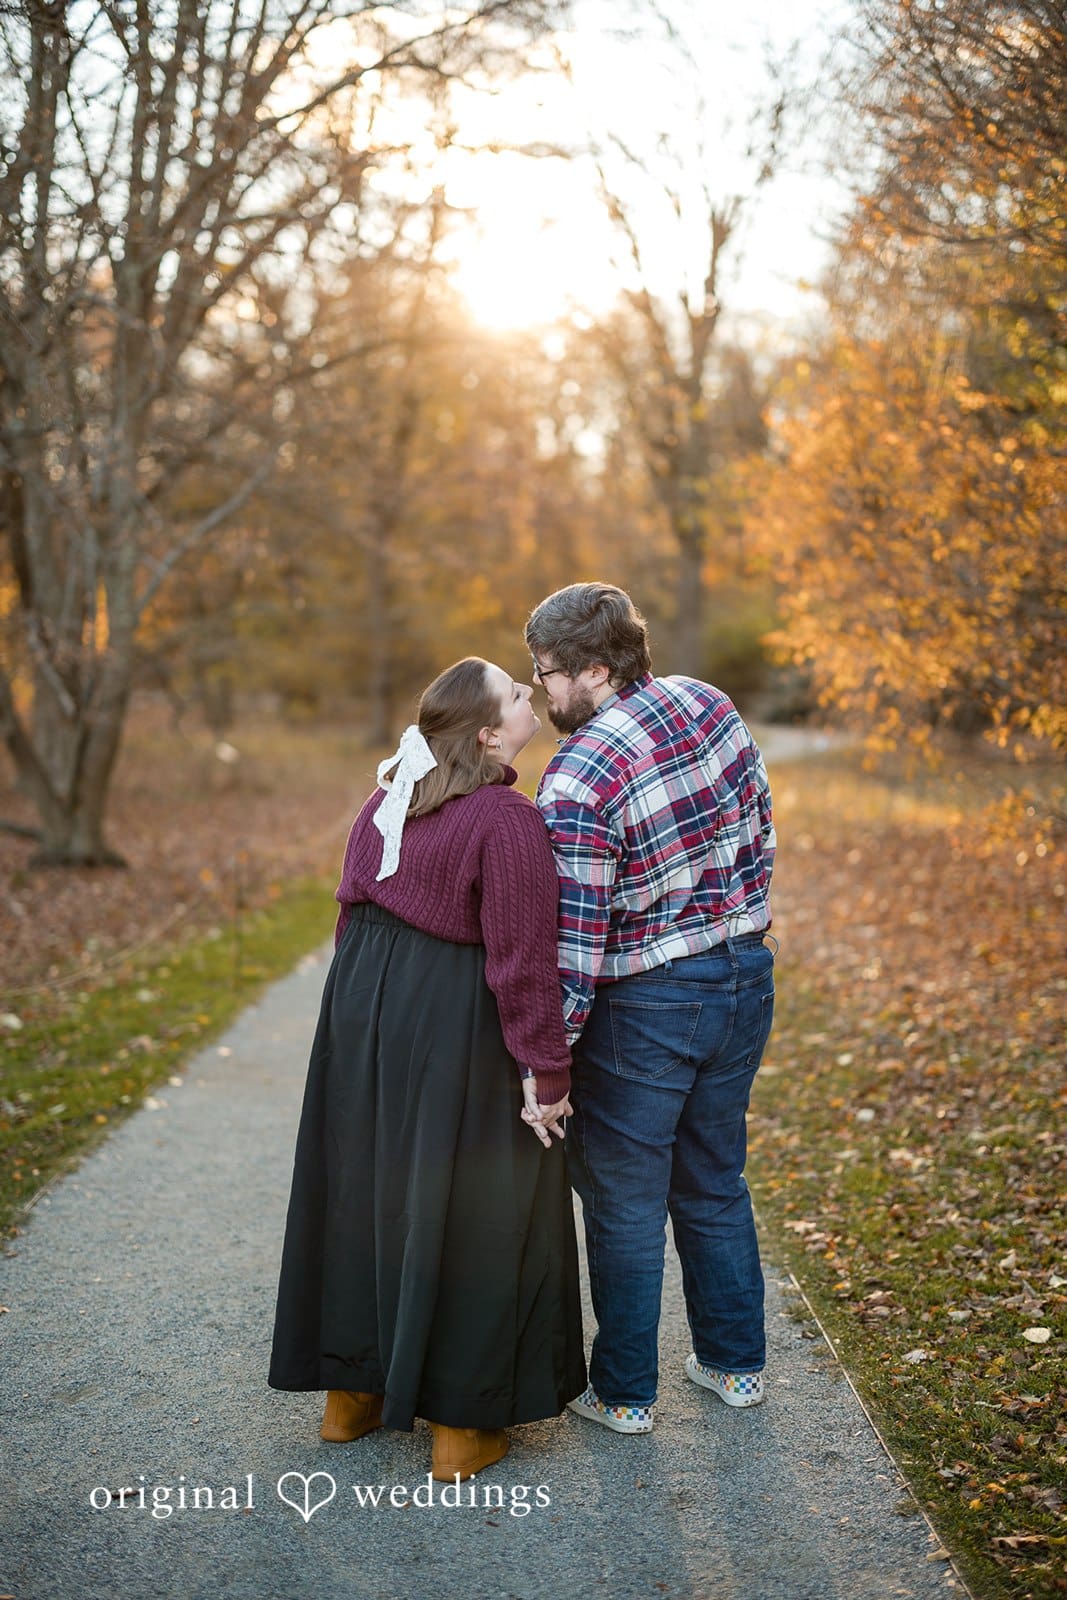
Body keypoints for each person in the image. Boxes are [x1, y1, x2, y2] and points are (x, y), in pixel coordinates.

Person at [268, 657, 586, 1482]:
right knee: (478, 1196)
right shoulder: (503, 818)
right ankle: (459, 1423)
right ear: (488, 732)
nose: (528, 698)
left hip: (363, 1015)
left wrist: (361, 1036)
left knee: (369, 1189)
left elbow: (350, 917)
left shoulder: (387, 798)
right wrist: (543, 1072)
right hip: (451, 1017)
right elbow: (520, 961)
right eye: (516, 696)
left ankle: (352, 1398)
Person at [523, 583, 776, 1434]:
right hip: (745, 976)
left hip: (649, 1003)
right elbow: (760, 825)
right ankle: (736, 1368)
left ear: (596, 669)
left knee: (625, 1201)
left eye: (549, 674)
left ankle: (624, 1394)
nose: (541, 693)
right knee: (714, 1180)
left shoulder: (576, 774)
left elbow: (578, 944)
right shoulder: (708, 702)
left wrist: (546, 1063)